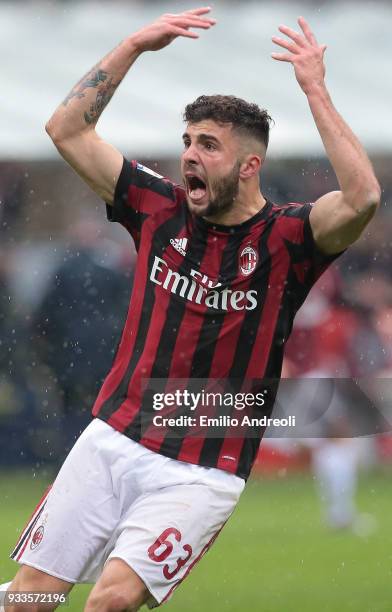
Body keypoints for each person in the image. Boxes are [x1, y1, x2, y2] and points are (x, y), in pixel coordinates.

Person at [1, 6, 381, 611]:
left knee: (109, 602)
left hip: (202, 470)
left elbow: (362, 195)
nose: (190, 156)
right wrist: (131, 45)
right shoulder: (156, 207)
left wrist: (314, 89)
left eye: (208, 145)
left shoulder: (288, 239)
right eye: (187, 142)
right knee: (29, 600)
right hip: (112, 439)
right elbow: (67, 130)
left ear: (249, 165)